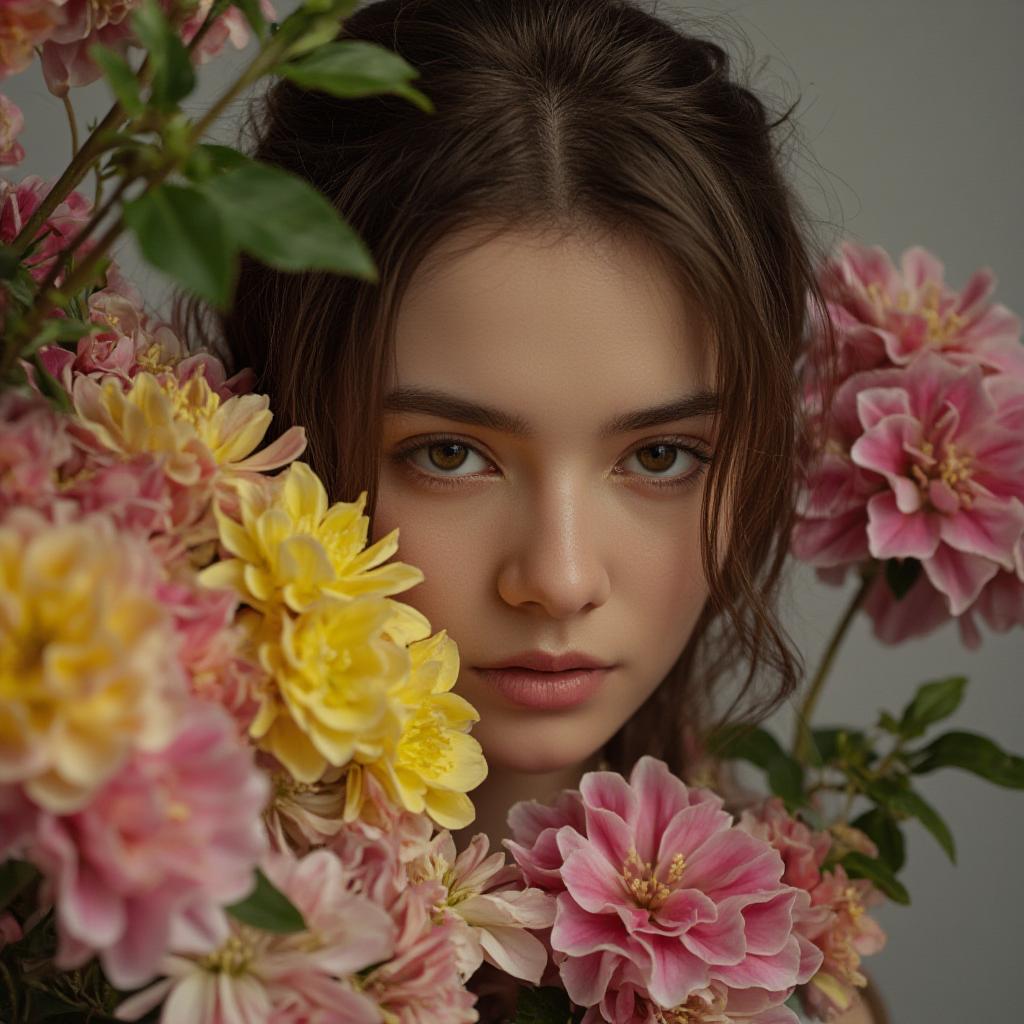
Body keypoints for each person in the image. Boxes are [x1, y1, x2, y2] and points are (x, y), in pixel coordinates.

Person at [181, 1, 877, 1020]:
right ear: (276, 430)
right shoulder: (116, 950)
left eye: (660, 454)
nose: (557, 576)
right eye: (449, 454)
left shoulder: (799, 989)